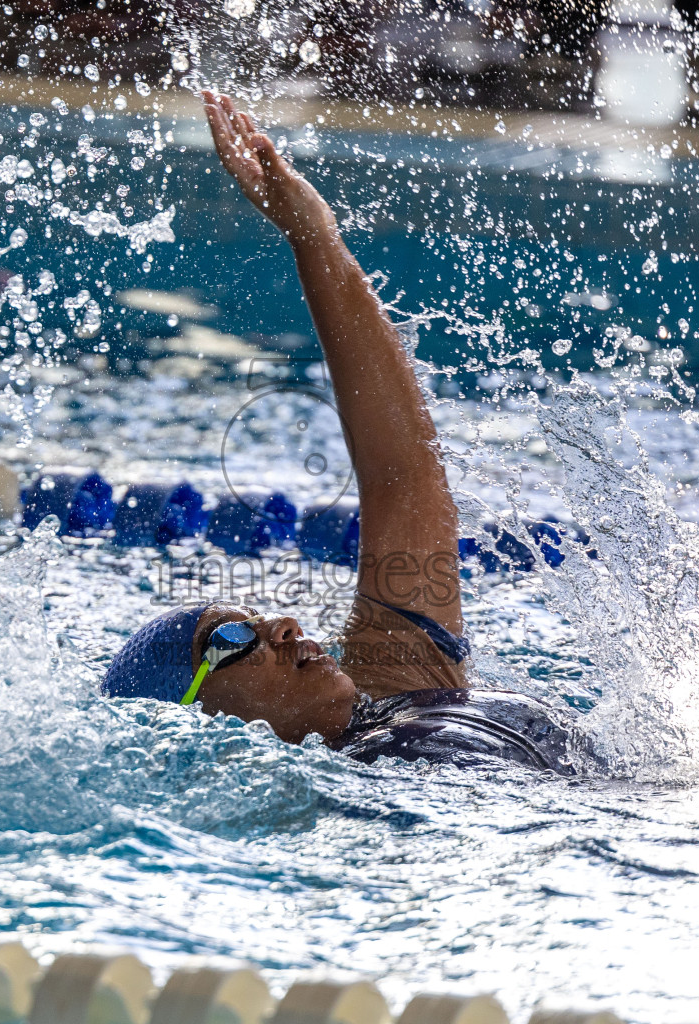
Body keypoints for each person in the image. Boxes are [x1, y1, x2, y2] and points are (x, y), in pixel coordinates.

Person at [100, 92, 593, 776]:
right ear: (195, 718)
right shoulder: (343, 789)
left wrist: (313, 237)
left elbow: (404, 476)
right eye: (231, 639)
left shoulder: (401, 680)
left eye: (257, 618)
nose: (281, 628)